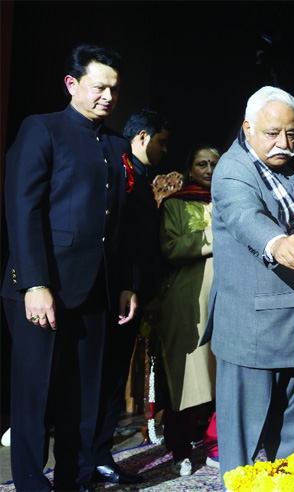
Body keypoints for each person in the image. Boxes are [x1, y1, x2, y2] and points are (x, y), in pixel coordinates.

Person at [1, 44, 137, 492]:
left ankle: (74, 481)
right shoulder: (42, 130)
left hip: (97, 291)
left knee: (85, 398)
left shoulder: (116, 145)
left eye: (114, 90)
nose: (108, 97)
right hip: (42, 288)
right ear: (71, 84)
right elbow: (23, 210)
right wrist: (34, 283)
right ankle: (30, 484)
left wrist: (124, 285)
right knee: (35, 397)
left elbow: (118, 224)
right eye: (100, 87)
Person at [202, 86, 294, 481]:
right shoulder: (233, 169)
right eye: (272, 133)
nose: (284, 143)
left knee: (291, 449)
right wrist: (276, 242)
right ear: (247, 128)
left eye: (292, 134)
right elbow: (245, 216)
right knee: (241, 452)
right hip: (251, 331)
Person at [91, 109, 170, 486]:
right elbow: (129, 244)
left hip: (130, 294)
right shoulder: (122, 177)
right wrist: (139, 290)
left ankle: (98, 454)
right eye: (161, 141)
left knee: (110, 379)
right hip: (114, 293)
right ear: (141, 137)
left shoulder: (140, 177)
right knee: (102, 380)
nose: (165, 149)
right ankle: (93, 457)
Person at [157, 145, 219, 476]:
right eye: (202, 164)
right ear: (190, 169)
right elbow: (171, 247)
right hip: (186, 302)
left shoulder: (230, 202)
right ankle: (180, 449)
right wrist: (214, 234)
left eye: (214, 164)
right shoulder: (175, 204)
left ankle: (216, 443)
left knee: (221, 376)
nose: (208, 169)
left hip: (224, 300)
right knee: (186, 381)